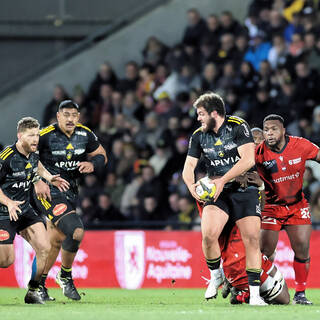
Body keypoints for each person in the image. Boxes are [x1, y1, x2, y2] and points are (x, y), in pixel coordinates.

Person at [182, 92, 266, 305]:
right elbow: (189, 167)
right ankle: (215, 275)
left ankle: (254, 295)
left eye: (201, 114)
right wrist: (191, 186)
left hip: (243, 188)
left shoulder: (238, 126)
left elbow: (248, 159)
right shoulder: (199, 135)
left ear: (214, 113)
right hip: (218, 192)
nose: (198, 118)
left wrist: (222, 180)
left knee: (252, 240)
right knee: (208, 235)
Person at [32, 100, 107, 301]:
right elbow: (28, 156)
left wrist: (92, 164)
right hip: (48, 192)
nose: (70, 119)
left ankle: (37, 285)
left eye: (74, 115)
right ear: (58, 116)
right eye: (66, 114)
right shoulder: (45, 135)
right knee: (76, 230)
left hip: (71, 192)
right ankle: (65, 275)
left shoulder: (85, 134)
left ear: (79, 116)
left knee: (55, 241)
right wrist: (40, 179)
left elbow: (102, 155)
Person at [0, 117, 69, 304]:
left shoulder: (33, 153)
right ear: (20, 136)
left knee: (45, 248)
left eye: (37, 135)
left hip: (25, 210)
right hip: (4, 213)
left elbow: (36, 167)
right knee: (6, 261)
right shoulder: (6, 157)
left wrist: (48, 178)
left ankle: (33, 290)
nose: (35, 139)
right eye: (31, 135)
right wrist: (8, 203)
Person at [255, 114, 320, 305]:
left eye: (273, 129)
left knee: (302, 248)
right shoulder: (258, 152)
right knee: (263, 251)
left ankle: (300, 293)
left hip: (297, 206)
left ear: (283, 130)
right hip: (271, 208)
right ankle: (256, 289)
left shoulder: (301, 145)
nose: (269, 133)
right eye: (266, 129)